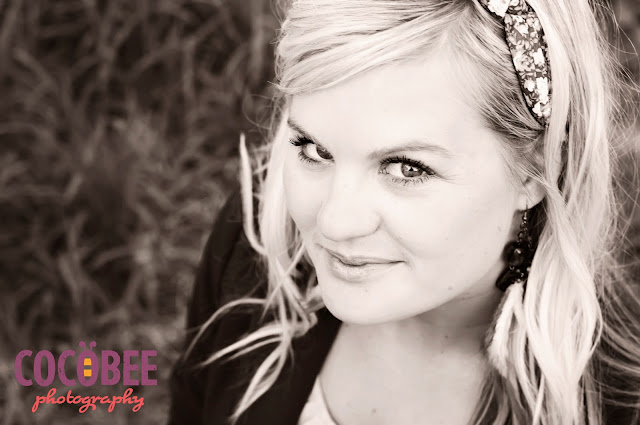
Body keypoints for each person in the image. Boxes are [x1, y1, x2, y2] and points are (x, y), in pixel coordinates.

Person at [167, 0, 640, 424]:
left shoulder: (617, 401)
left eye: (406, 168)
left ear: (536, 170)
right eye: (313, 149)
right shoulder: (254, 245)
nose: (333, 223)